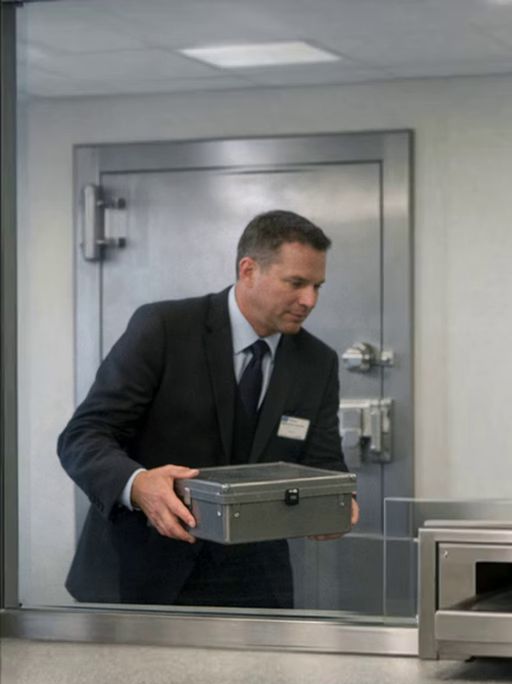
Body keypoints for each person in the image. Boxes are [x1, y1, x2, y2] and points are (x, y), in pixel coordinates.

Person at [58, 210, 358, 608]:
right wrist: (138, 484)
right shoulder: (163, 328)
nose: (310, 300)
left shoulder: (317, 362)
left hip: (256, 588)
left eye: (317, 286)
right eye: (296, 283)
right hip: (140, 576)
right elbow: (82, 437)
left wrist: (337, 501)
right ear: (248, 270)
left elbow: (324, 463)